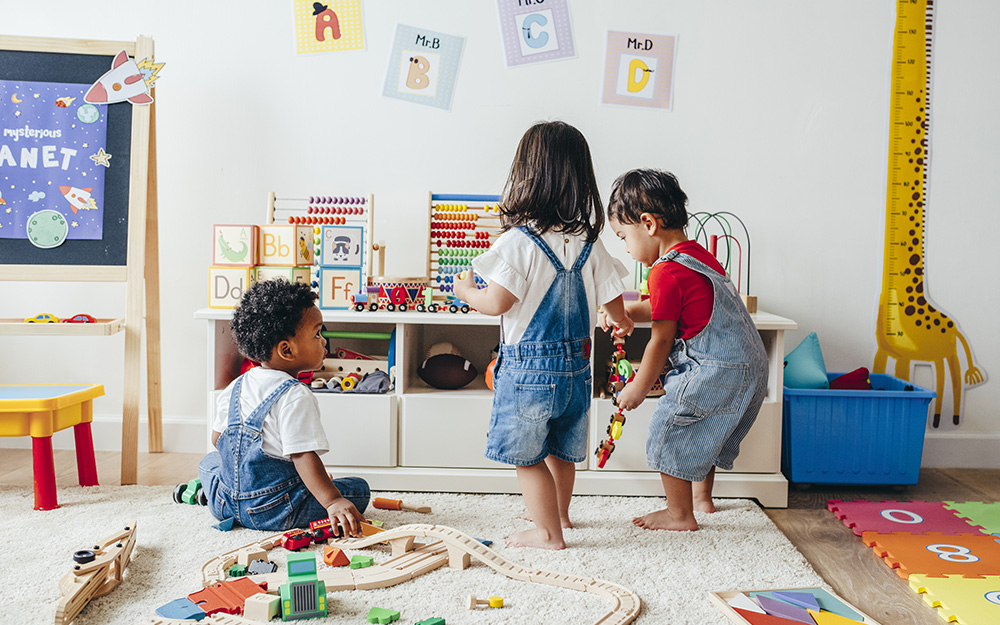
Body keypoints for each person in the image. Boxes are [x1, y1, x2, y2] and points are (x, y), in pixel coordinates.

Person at [454, 121, 633, 550]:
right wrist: (618, 321)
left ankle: (547, 533)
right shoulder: (590, 241)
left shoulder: (519, 241)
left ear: (526, 176)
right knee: (561, 449)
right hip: (578, 368)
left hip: (530, 370)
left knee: (528, 457)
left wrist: (466, 292)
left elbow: (497, 302)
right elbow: (614, 302)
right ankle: (561, 516)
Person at [602, 168, 767, 531]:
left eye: (623, 238)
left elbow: (661, 338)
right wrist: (629, 310)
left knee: (671, 427)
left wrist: (639, 387)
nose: (627, 250)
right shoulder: (697, 256)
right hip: (749, 364)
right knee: (703, 429)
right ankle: (701, 499)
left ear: (647, 224)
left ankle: (679, 514)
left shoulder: (662, 272)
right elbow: (671, 307)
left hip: (717, 367)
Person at [198, 279, 370, 534]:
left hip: (226, 503)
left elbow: (217, 440)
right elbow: (303, 456)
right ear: (286, 350)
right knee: (358, 490)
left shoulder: (237, 385)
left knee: (209, 462)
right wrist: (332, 500)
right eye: (317, 333)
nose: (324, 341)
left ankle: (212, 495)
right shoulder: (295, 395)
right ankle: (321, 495)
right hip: (276, 510)